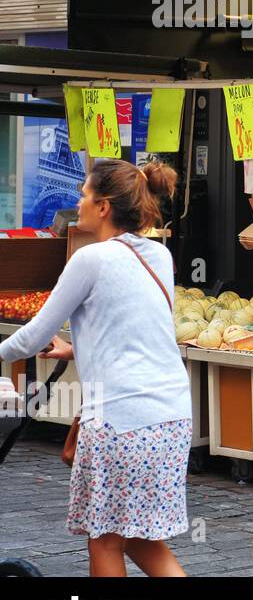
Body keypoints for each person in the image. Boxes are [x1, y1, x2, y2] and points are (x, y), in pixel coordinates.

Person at [0, 158, 191, 577]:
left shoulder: (90, 259)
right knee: (140, 538)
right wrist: (77, 350)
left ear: (104, 207)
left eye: (85, 195)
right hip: (171, 417)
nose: (79, 202)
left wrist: (2, 350)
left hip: (120, 420)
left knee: (103, 537)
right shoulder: (159, 255)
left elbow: (32, 336)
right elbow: (143, 330)